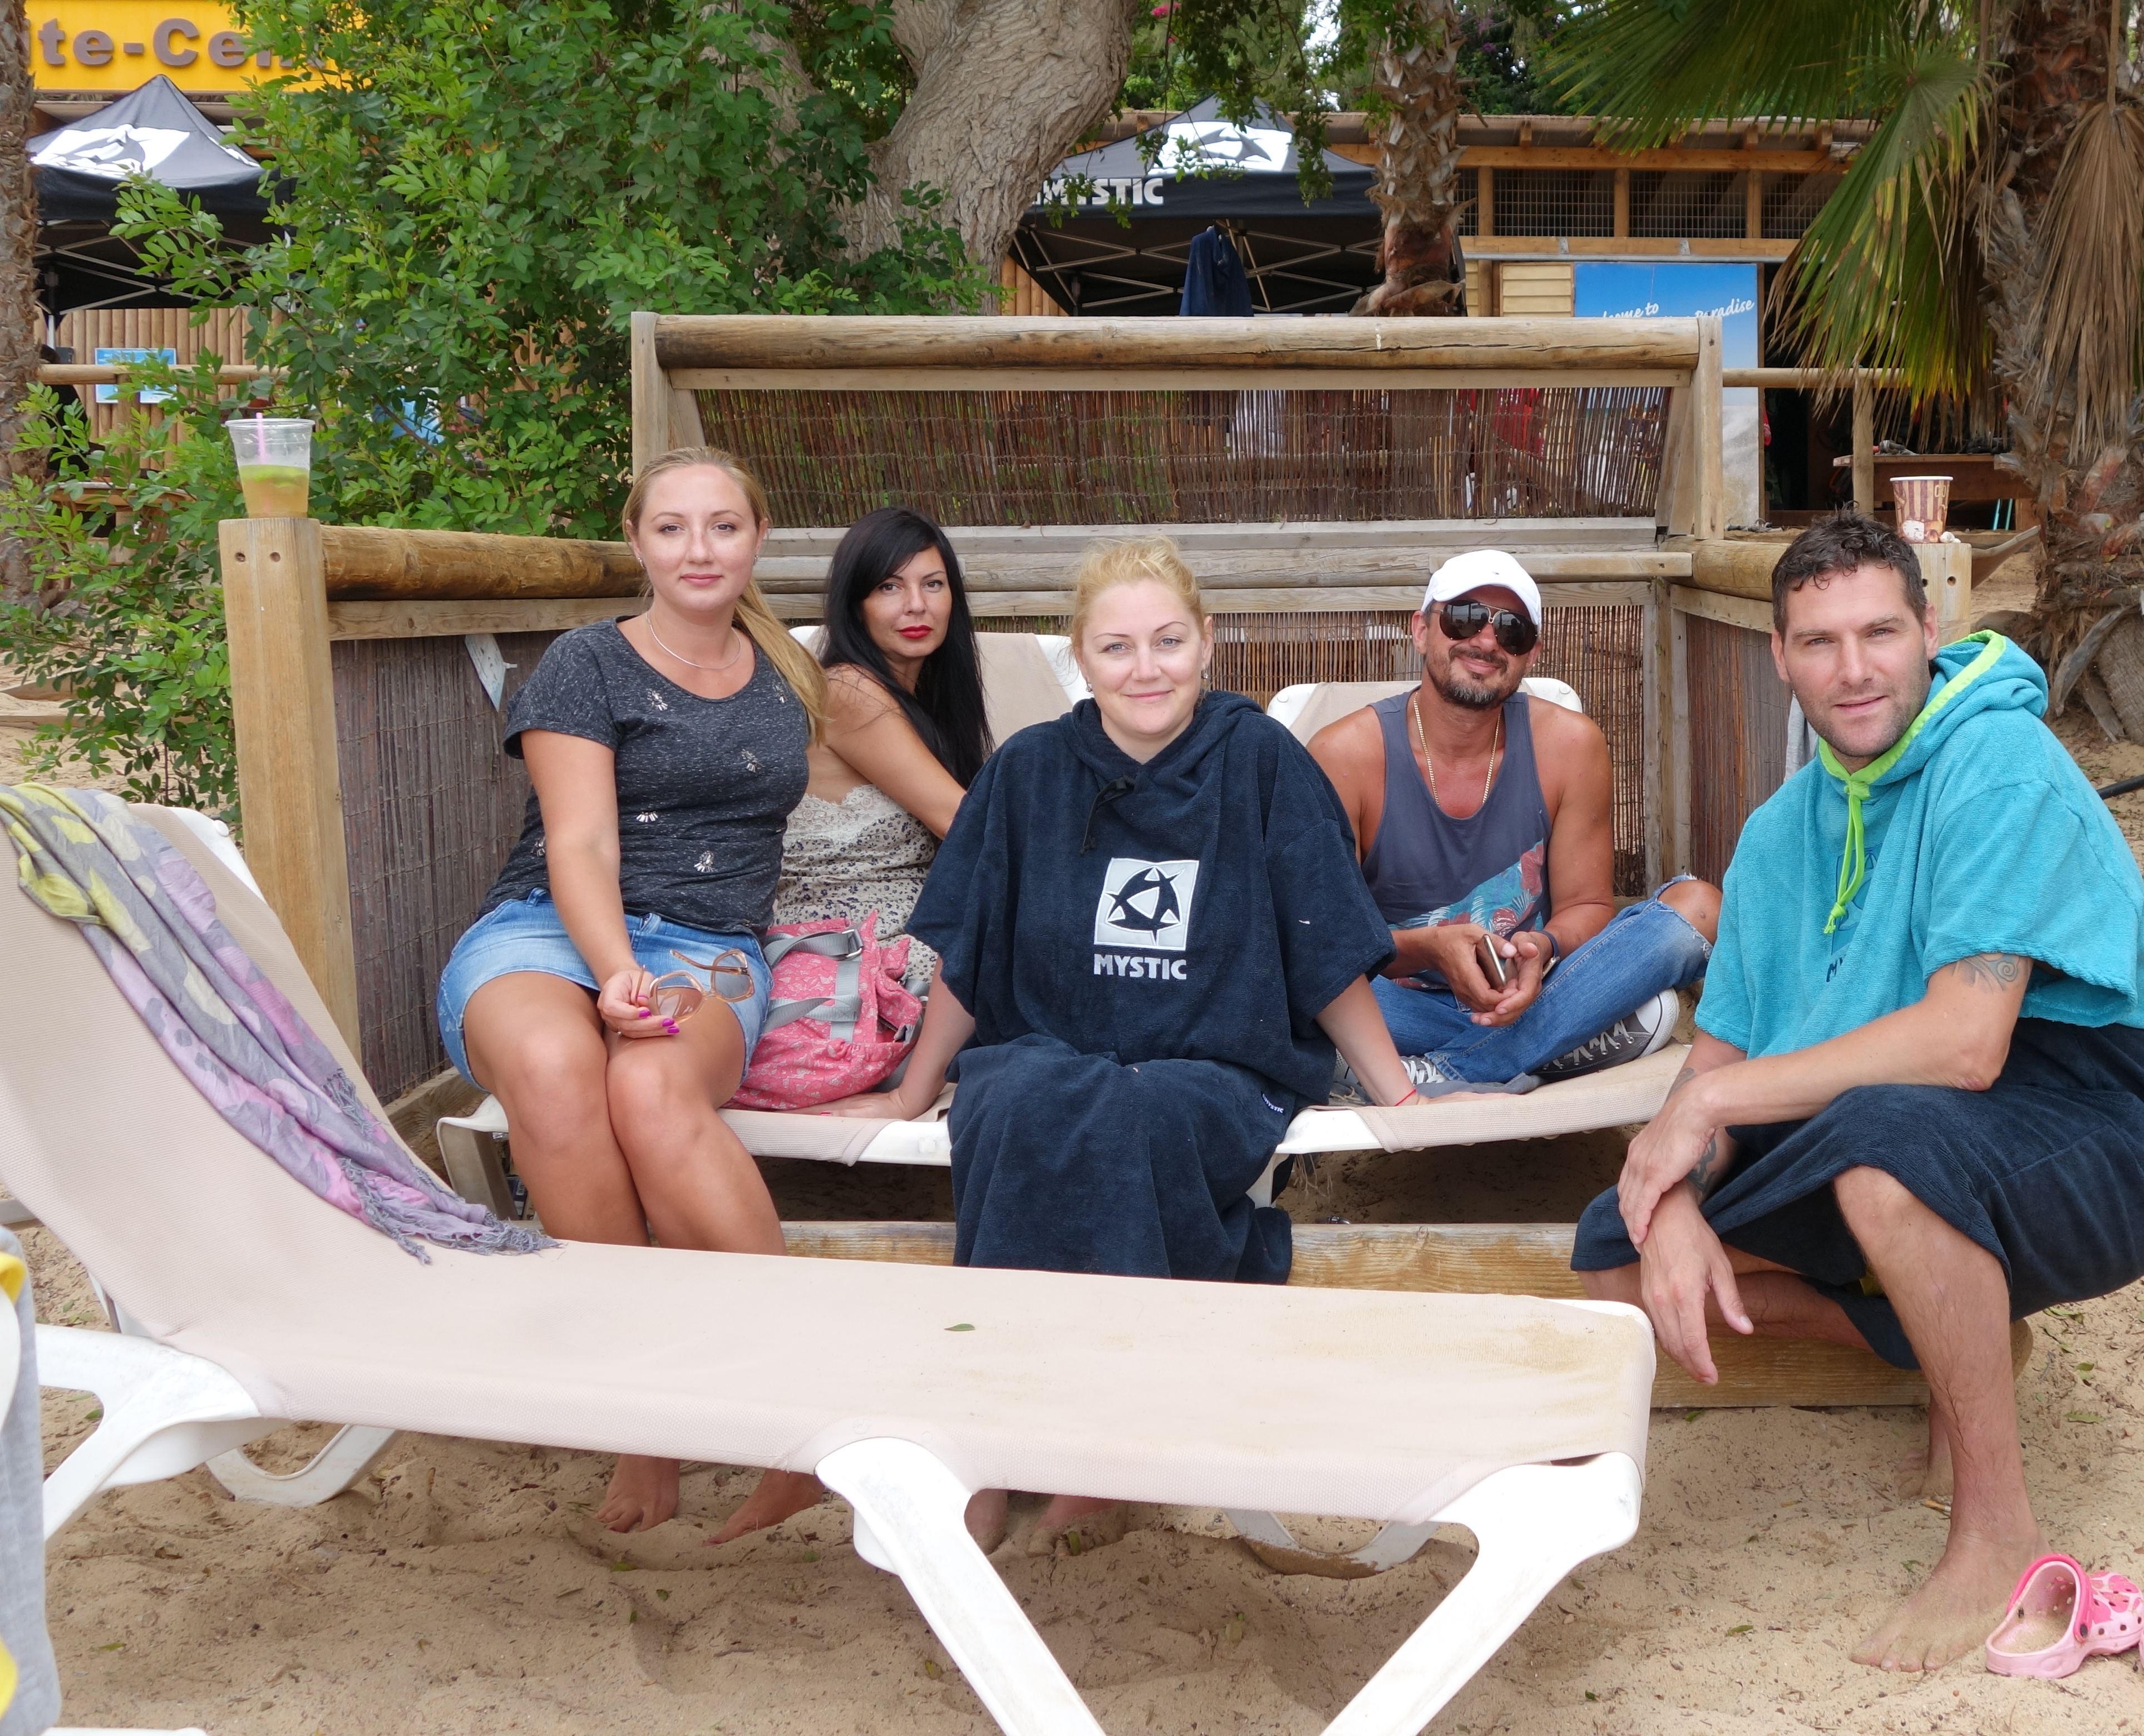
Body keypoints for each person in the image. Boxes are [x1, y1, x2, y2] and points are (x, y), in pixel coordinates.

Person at [1572, 513, 2144, 1674]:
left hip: (2108, 1127)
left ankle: (1998, 1532)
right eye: (1819, 641)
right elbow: (1717, 1064)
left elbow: (1970, 1043)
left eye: (1879, 632)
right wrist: (1669, 1204)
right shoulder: (1775, 836)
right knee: (1615, 1260)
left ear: (1931, 630)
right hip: (1904, 1115)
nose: (1853, 668)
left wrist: (1707, 1114)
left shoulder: (1998, 762)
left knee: (1883, 1154)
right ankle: (1923, 1329)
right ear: (1781, 658)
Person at [903, 536, 1417, 1548]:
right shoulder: (1029, 770)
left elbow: (1322, 946)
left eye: (1168, 641)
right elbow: (974, 950)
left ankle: (1103, 1442)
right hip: (1051, 1043)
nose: (1146, 668)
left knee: (1137, 1112)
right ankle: (993, 1436)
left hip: (1216, 1061)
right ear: (1081, 659)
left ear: (1208, 642)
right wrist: (910, 1087)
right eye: (1118, 646)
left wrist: (1394, 1093)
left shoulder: (1263, 761)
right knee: (1009, 1105)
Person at [433, 445, 827, 1542]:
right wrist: (611, 971)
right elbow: (582, 842)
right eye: (671, 527)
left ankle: (799, 1408)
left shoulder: (790, 674)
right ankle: (645, 1420)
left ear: (757, 539)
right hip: (551, 930)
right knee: (559, 1069)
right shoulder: (585, 665)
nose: (698, 549)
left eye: (721, 526)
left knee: (653, 1097)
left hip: (710, 954)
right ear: (637, 542)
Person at [1307, 549, 1718, 1093]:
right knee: (1295, 990)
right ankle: (1539, 1054)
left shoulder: (1570, 745)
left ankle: (1454, 1072)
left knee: (1700, 908)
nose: (1486, 641)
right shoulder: (1345, 755)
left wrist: (1540, 950)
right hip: (1392, 1005)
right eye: (1464, 618)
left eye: (1512, 630)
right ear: (1422, 629)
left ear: (1531, 654)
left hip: (1528, 996)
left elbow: (1587, 907)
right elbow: (1321, 938)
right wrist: (1429, 949)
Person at [772, 507, 989, 1119]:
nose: (915, 605)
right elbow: (972, 827)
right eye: (889, 587)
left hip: (909, 946)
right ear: (856, 603)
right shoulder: (849, 689)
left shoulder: (924, 701)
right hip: (847, 965)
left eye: (933, 584)